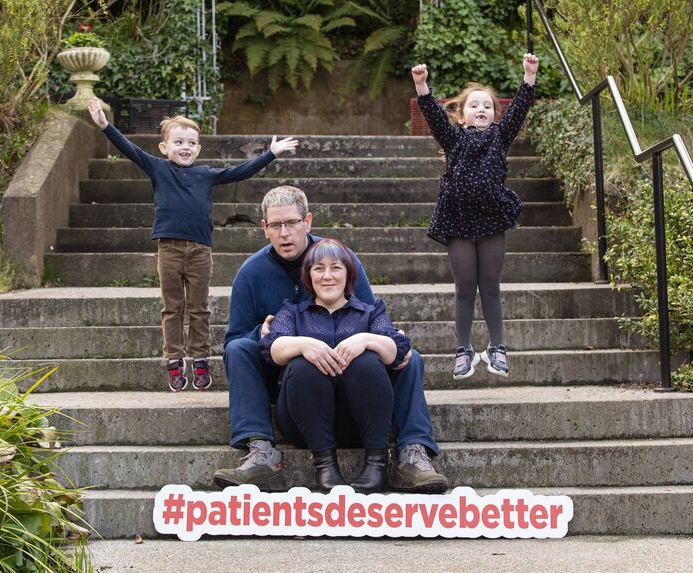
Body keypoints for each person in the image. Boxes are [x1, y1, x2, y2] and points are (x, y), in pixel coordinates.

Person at [212, 185, 448, 494]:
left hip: (351, 380)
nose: (285, 233)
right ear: (264, 228)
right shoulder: (251, 273)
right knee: (239, 347)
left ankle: (411, 453)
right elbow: (239, 335)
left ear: (307, 222)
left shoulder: (341, 258)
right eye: (276, 225)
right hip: (288, 377)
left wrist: (381, 339)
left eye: (292, 223)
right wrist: (268, 335)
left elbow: (363, 313)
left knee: (409, 357)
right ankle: (260, 452)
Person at [87, 98, 298, 392]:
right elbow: (129, 149)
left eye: (190, 143)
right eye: (178, 142)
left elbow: (240, 172)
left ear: (198, 148)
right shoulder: (158, 168)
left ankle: (200, 359)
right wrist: (105, 126)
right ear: (164, 147)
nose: (184, 147)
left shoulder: (206, 174)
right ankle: (174, 362)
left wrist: (270, 154)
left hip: (200, 251)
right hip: (169, 249)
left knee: (199, 308)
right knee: (172, 308)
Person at [411, 53, 540, 379]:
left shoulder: (500, 136)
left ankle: (497, 347)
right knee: (465, 286)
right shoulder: (453, 138)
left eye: (487, 106)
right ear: (462, 115)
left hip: (492, 220)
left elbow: (519, 110)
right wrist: (422, 85)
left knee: (491, 285)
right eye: (474, 106)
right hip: (458, 222)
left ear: (495, 115)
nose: (481, 109)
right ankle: (464, 349)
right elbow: (434, 117)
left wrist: (528, 76)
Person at [259, 239, 410, 494]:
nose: (327, 276)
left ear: (349, 274)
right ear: (308, 276)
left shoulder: (370, 313)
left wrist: (366, 339)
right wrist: (304, 344)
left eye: (335, 268)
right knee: (302, 364)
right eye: (318, 269)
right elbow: (272, 349)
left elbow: (396, 351)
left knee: (367, 360)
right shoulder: (293, 313)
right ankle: (325, 465)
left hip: (360, 422)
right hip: (305, 422)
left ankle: (377, 464)